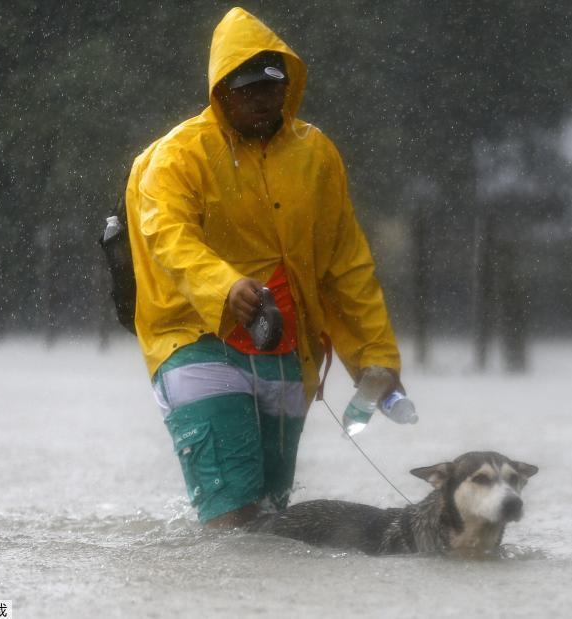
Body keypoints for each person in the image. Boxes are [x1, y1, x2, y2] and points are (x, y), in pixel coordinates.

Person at [125, 7, 402, 529]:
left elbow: (346, 264)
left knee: (273, 525)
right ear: (221, 91)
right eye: (248, 89)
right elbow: (168, 237)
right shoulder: (178, 156)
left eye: (272, 87)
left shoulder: (316, 154)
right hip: (193, 339)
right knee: (233, 517)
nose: (262, 100)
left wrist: (375, 357)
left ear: (288, 85)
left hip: (287, 350)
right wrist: (224, 287)